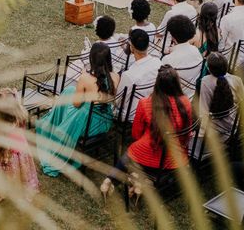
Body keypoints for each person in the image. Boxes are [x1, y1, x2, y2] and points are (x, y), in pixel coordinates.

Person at [99, 65, 192, 200]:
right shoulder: (186, 103)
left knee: (128, 156)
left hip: (145, 154)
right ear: (176, 84)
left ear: (157, 84)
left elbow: (136, 134)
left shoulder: (145, 103)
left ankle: (109, 181)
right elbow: (185, 134)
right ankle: (141, 183)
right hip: (174, 161)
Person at [36, 42, 120, 177]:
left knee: (69, 97)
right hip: (105, 121)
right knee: (69, 90)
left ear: (91, 59)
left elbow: (76, 104)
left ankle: (55, 123)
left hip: (88, 124)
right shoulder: (115, 76)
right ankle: (57, 117)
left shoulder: (86, 78)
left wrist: (84, 76)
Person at [0, 88, 39, 201]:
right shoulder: (19, 115)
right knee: (16, 168)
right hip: (17, 148)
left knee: (1, 168)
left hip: (2, 148)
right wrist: (16, 98)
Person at [116, 29, 161, 121]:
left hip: (132, 116)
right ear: (148, 45)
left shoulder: (128, 75)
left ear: (131, 47)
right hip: (153, 109)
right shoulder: (158, 63)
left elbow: (118, 102)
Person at [199, 52, 244, 138]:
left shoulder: (206, 81)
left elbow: (204, 110)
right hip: (233, 126)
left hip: (215, 130)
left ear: (209, 69)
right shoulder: (237, 80)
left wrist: (201, 134)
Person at [161, 15, 203, 97]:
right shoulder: (197, 52)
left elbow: (161, 86)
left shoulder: (168, 60)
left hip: (172, 101)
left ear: (173, 36)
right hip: (191, 97)